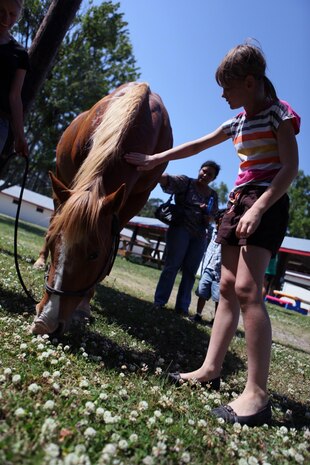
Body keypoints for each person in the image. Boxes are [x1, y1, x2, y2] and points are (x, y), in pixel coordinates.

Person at [125, 41, 300, 426]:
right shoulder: (236, 122)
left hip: (264, 201)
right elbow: (198, 144)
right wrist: (157, 158)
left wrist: (258, 208)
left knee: (248, 291)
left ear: (250, 83)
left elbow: (290, 169)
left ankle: (256, 394)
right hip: (237, 200)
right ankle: (210, 368)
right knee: (225, 289)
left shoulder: (278, 115)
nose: (222, 94)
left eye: (228, 87)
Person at [153, 161, 219, 315]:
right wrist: (154, 169)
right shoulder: (186, 182)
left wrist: (207, 215)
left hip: (200, 235)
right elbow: (168, 180)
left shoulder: (213, 195)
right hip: (180, 229)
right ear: (199, 170)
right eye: (204, 171)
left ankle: (182, 307)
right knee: (172, 266)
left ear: (213, 178)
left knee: (190, 272)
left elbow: (212, 217)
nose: (205, 175)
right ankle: (159, 301)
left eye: (210, 174)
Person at [0, 0, 29, 158]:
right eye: (1, 11)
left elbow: (15, 96)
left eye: (12, 14)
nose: (5, 19)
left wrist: (20, 136)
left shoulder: (19, 54)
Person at [192, 212, 224, 325]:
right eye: (219, 221)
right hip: (208, 268)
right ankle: (198, 314)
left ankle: (216, 320)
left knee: (218, 297)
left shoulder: (228, 236)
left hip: (220, 272)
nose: (220, 223)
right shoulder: (213, 232)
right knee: (202, 291)